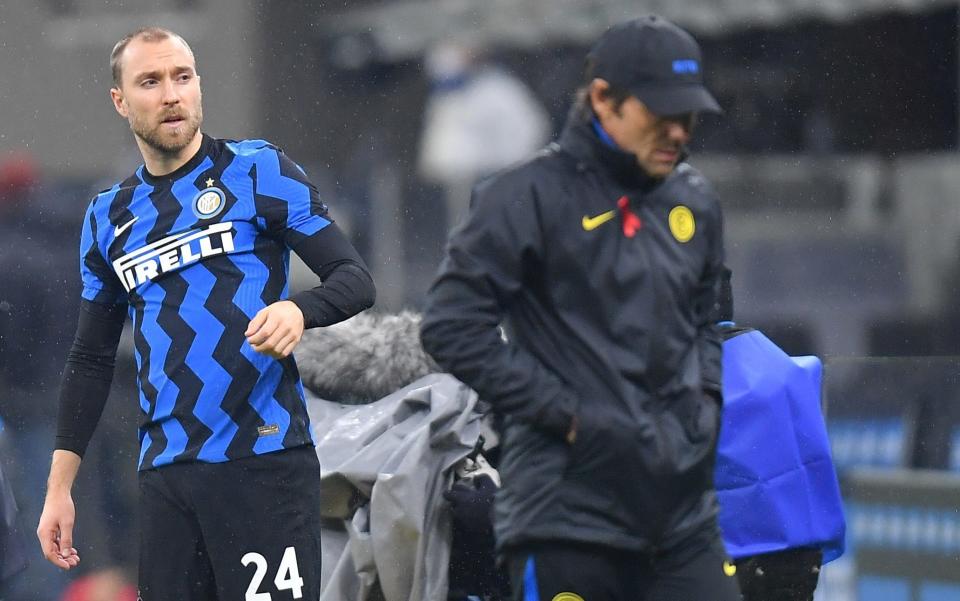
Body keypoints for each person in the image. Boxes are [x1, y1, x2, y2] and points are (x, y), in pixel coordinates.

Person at [36, 27, 375, 601]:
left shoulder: (259, 170)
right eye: (150, 81)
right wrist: (58, 488)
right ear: (121, 101)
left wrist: (299, 309)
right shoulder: (106, 217)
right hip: (168, 472)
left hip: (264, 460)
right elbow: (91, 358)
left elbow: (354, 279)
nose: (171, 94)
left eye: (182, 77)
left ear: (198, 87)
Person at [420, 15, 739, 601]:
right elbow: (451, 327)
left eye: (688, 116)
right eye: (659, 114)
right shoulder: (521, 197)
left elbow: (710, 320)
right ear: (603, 100)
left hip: (683, 521)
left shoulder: (697, 200)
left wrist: (706, 406)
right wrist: (568, 416)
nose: (678, 131)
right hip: (565, 519)